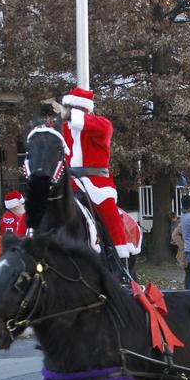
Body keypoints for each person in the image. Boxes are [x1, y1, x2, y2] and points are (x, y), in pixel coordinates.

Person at [60, 86, 136, 259]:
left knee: (109, 213)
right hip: (69, 181)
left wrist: (71, 116)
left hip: (96, 181)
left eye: (74, 109)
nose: (70, 112)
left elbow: (93, 125)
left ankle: (119, 256)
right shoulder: (63, 129)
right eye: (69, 109)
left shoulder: (102, 125)